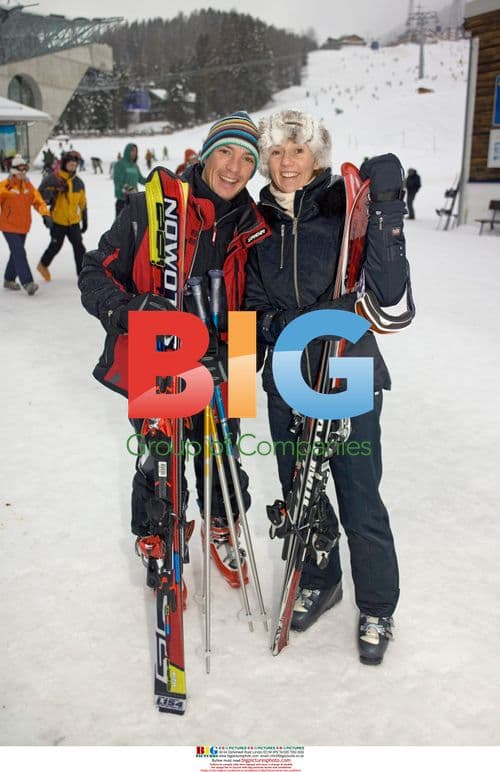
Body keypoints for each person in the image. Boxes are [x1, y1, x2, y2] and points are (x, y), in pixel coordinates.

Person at [245, 110, 411, 665]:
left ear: (317, 155)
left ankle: (378, 606)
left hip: (348, 368)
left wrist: (387, 212)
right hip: (288, 373)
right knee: (302, 493)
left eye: (298, 150)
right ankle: (321, 579)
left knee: (359, 495)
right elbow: (248, 308)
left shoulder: (345, 208)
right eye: (276, 152)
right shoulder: (255, 221)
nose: (287, 162)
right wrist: (282, 332)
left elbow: (388, 291)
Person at [78, 111, 270, 590]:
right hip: (158, 350)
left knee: (224, 455)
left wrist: (244, 353)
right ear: (205, 155)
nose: (234, 167)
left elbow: (261, 302)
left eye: (247, 159)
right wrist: (128, 309)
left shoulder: (257, 223)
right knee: (159, 456)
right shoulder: (153, 206)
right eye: (225, 152)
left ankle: (221, 525)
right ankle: (159, 532)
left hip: (229, 355)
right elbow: (94, 271)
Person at [0, 154, 51, 295]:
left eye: (24, 169)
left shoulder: (28, 186)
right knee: (19, 252)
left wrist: (45, 214)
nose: (23, 172)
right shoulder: (5, 186)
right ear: (13, 170)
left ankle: (9, 279)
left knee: (16, 253)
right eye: (20, 169)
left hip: (23, 227)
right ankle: (27, 282)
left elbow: (38, 201)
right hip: (8, 226)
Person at [37, 150, 87, 281]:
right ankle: (43, 265)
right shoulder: (53, 178)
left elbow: (82, 202)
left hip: (73, 221)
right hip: (58, 221)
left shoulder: (78, 182)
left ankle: (82, 274)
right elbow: (39, 198)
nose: (73, 167)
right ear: (64, 164)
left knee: (79, 247)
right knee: (55, 246)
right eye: (70, 164)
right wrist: (54, 192)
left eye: (75, 165)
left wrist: (85, 219)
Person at [113, 143, 146, 217]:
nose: (135, 153)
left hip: (134, 200)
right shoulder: (120, 164)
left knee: (135, 223)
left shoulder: (135, 166)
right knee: (121, 224)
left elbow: (141, 179)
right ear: (127, 151)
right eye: (133, 151)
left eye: (136, 151)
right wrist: (127, 189)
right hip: (123, 201)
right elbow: (118, 182)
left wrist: (152, 181)